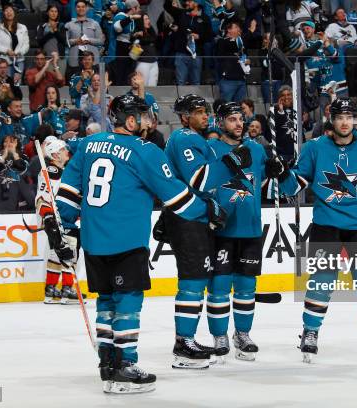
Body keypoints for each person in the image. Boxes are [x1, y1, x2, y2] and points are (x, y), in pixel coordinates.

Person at [55, 94, 220, 393]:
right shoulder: (145, 151)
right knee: (128, 302)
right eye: (144, 115)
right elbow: (178, 199)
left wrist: (63, 228)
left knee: (106, 301)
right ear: (130, 121)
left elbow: (66, 194)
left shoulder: (89, 145)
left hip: (93, 241)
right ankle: (125, 366)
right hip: (126, 241)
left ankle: (107, 361)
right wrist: (208, 210)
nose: (150, 121)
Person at [286, 98, 357, 364]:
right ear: (331, 120)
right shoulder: (313, 148)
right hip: (327, 224)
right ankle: (310, 332)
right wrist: (281, 174)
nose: (345, 122)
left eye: (349, 117)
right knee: (321, 281)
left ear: (356, 119)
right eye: (340, 117)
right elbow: (293, 187)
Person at [162, 94, 252, 369]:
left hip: (195, 217)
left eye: (205, 111)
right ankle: (183, 344)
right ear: (185, 117)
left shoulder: (197, 140)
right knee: (192, 282)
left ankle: (186, 340)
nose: (205, 116)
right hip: (186, 217)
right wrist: (231, 163)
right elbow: (198, 179)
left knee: (196, 280)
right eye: (199, 112)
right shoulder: (184, 139)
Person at [205, 102, 291, 362]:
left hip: (251, 229)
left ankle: (242, 334)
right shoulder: (211, 149)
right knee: (219, 287)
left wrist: (280, 169)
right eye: (232, 119)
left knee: (246, 287)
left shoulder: (256, 148)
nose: (239, 124)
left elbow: (276, 179)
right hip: (221, 230)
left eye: (241, 119)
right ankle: (219, 336)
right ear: (220, 123)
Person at [36, 137, 79, 304]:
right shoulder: (52, 171)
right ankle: (67, 289)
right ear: (54, 154)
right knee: (70, 251)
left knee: (56, 253)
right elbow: (43, 196)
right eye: (62, 150)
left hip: (56, 216)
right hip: (58, 217)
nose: (66, 152)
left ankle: (51, 289)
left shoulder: (55, 170)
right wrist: (48, 215)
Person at [163, 0, 213, 86]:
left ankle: (195, 99)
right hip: (181, 54)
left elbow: (209, 37)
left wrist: (199, 36)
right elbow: (167, 7)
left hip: (196, 55)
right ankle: (181, 99)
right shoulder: (181, 13)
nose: (187, 3)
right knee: (180, 82)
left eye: (190, 1)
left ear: (197, 3)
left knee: (196, 82)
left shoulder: (205, 18)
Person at [65, 0, 104, 82]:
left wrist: (88, 40)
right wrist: (75, 41)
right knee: (75, 85)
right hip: (74, 61)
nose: (81, 9)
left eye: (83, 7)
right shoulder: (68, 25)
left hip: (93, 61)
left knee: (94, 85)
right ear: (75, 8)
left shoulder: (95, 23)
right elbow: (65, 41)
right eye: (78, 7)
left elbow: (101, 41)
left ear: (87, 8)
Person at [0, 5, 29, 84]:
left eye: (11, 10)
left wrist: (19, 52)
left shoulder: (23, 27)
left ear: (14, 13)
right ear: (3, 14)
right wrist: (7, 51)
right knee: (5, 84)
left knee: (17, 85)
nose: (9, 12)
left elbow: (26, 45)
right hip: (4, 61)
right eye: (6, 11)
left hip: (19, 61)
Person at [217, 19, 249, 103]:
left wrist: (248, 61)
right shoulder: (222, 42)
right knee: (226, 106)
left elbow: (245, 55)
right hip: (228, 80)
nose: (238, 29)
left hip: (241, 79)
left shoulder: (241, 43)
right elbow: (226, 51)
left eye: (238, 27)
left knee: (239, 108)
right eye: (236, 27)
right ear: (229, 30)